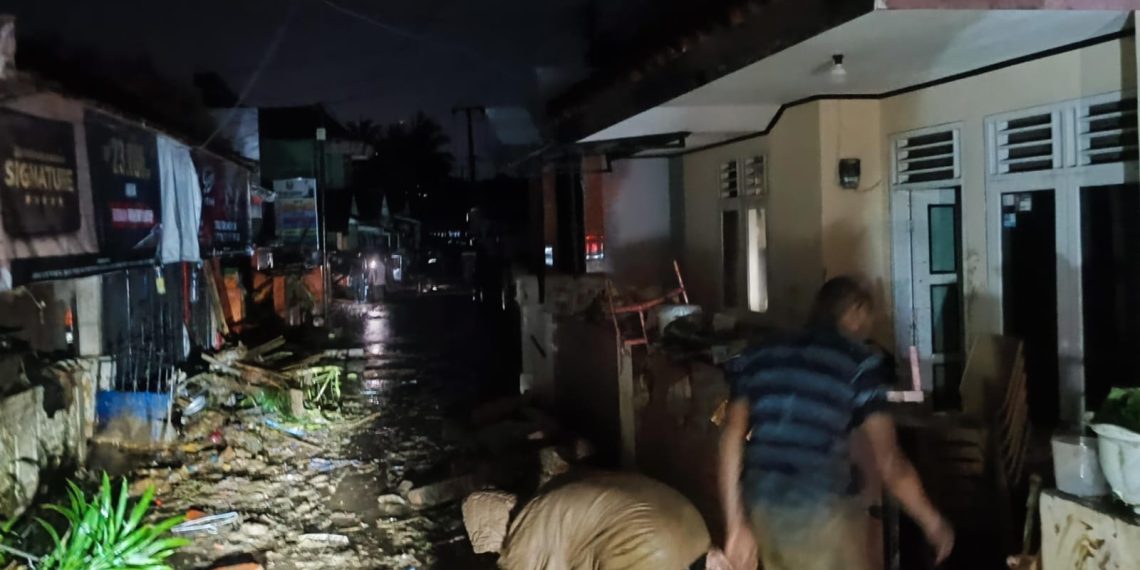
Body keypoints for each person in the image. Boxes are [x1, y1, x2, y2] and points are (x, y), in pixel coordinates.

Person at [718, 276, 954, 570]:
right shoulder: (859, 363)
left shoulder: (763, 353)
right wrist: (932, 522)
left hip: (760, 508)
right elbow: (891, 463)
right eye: (869, 315)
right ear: (854, 311)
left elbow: (731, 435)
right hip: (818, 516)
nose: (870, 326)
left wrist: (736, 523)